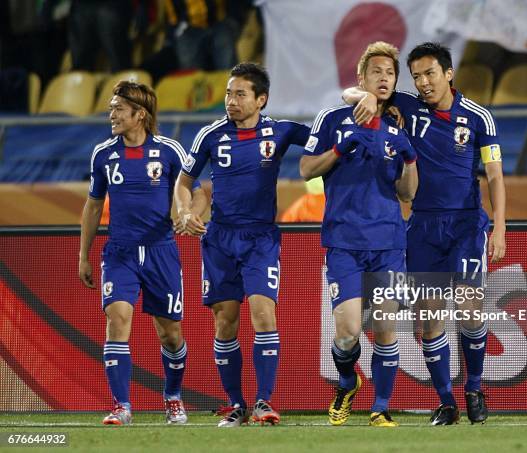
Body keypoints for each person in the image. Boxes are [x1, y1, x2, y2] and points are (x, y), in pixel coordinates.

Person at [344, 41, 506, 426]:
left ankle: (474, 387)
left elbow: (495, 174)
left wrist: (499, 225)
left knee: (469, 308)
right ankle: (446, 401)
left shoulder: (479, 117)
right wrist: (362, 96)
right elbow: (353, 91)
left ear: (448, 74)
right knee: (428, 318)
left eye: (430, 74)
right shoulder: (409, 105)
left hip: (467, 224)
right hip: (421, 226)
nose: (423, 82)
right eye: (416, 76)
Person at [174, 62, 310, 427]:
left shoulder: (281, 132)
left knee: (264, 314)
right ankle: (235, 404)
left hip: (260, 238)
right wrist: (185, 210)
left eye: (240, 94)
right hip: (220, 238)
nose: (231, 101)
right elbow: (184, 181)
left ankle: (264, 401)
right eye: (228, 93)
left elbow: (326, 137)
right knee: (225, 322)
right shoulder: (210, 135)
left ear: (260, 99)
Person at [301, 42, 418, 427]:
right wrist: (339, 148)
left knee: (385, 326)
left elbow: (407, 193)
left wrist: (410, 157)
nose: (384, 79)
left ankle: (381, 406)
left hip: (388, 242)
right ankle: (348, 381)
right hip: (344, 242)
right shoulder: (332, 118)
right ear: (362, 78)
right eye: (376, 72)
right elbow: (305, 169)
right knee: (349, 330)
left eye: (390, 74)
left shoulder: (398, 125)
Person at [79, 80, 205, 426]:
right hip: (119, 252)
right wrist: (83, 255)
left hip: (161, 251)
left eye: (118, 109)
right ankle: (122, 406)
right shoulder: (103, 154)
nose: (112, 115)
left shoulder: (169, 151)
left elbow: (199, 192)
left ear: (140, 114)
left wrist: (189, 214)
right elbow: (92, 207)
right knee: (117, 321)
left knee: (171, 334)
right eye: (111, 109)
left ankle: (174, 398)